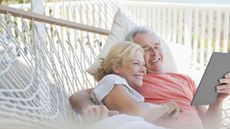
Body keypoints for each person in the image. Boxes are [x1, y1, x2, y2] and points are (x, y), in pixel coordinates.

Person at [125, 27, 230, 129]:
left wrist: (217, 102)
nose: (155, 53)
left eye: (156, 46)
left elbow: (210, 125)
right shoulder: (133, 81)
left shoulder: (186, 80)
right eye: (146, 49)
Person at [90, 41, 180, 125]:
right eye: (136, 63)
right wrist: (167, 107)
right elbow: (136, 111)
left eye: (143, 64)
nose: (143, 70)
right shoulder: (112, 80)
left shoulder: (120, 87)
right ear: (117, 67)